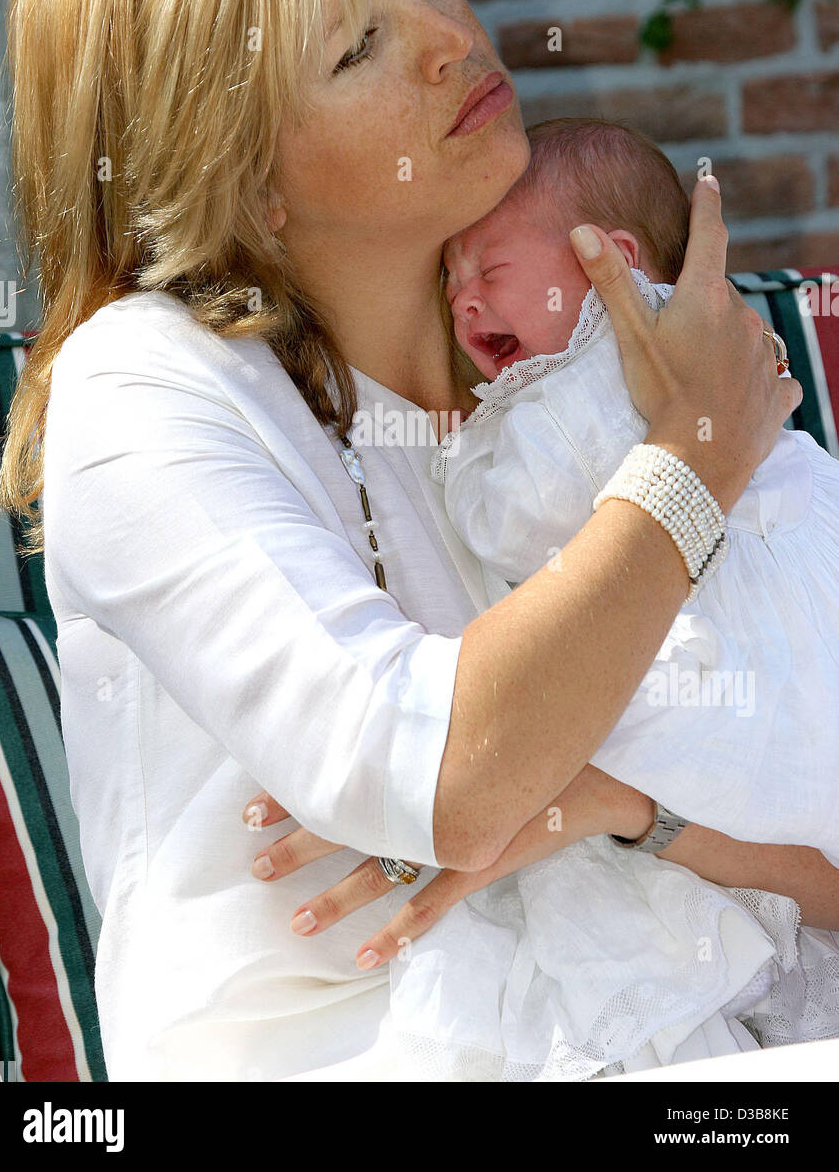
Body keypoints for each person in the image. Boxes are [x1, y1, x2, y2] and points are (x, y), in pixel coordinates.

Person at [0, 0, 837, 1081]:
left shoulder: (568, 360)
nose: (452, 41)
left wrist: (623, 810)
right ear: (241, 175)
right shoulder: (145, 393)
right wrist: (694, 455)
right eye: (358, 49)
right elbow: (440, 774)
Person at [349, 117, 839, 1080]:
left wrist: (460, 458)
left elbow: (513, 517)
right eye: (447, 282)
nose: (462, 300)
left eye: (486, 266)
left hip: (727, 737)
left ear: (611, 260)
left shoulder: (600, 372)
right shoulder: (729, 361)